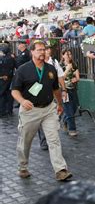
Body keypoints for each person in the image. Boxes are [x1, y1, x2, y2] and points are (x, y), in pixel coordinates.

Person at [11, 40, 72, 181]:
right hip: (30, 110)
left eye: (44, 49)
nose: (42, 52)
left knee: (54, 139)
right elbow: (14, 91)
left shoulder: (51, 69)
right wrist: (22, 101)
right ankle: (23, 167)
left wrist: (59, 103)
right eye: (39, 49)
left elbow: (55, 88)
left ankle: (60, 170)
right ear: (32, 51)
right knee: (25, 142)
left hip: (49, 109)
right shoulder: (23, 69)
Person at [37, 44, 67, 150]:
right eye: (44, 49)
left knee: (55, 115)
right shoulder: (36, 63)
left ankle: (51, 136)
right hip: (40, 94)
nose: (46, 51)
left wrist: (63, 89)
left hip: (54, 93)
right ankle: (44, 140)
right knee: (41, 117)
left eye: (47, 49)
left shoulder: (54, 62)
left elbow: (60, 76)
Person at [60, 48, 80, 137]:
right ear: (63, 55)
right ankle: (72, 129)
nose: (69, 56)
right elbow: (60, 78)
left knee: (74, 107)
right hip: (64, 90)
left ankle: (65, 120)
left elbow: (77, 76)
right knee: (69, 110)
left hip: (73, 89)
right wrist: (67, 69)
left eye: (70, 54)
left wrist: (76, 79)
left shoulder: (74, 64)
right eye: (67, 54)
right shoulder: (60, 66)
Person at [0, 40, 15, 117]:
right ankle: (9, 110)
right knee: (9, 94)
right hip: (10, 78)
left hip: (3, 79)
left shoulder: (3, 59)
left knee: (2, 95)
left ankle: (2, 111)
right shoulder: (11, 57)